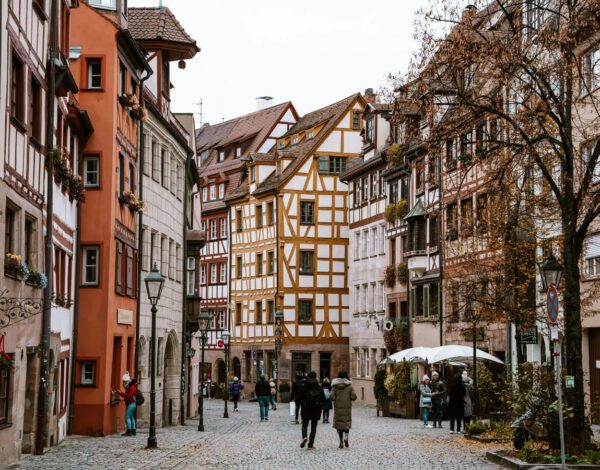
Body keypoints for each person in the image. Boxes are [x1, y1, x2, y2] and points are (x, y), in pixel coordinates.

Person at [331, 370, 357, 449]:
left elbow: (331, 396)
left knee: (339, 425)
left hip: (338, 408)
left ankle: (341, 441)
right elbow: (354, 396)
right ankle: (346, 437)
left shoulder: (334, 386)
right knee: (346, 423)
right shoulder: (349, 385)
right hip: (347, 408)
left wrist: (336, 398)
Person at [300, 371, 324, 450]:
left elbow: (300, 397)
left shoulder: (304, 385)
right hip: (316, 409)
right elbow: (323, 398)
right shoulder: (319, 386)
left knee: (304, 424)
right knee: (314, 427)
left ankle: (304, 437)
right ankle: (310, 445)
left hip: (306, 408)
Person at [113, 372, 138, 436]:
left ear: (127, 381)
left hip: (131, 403)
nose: (123, 383)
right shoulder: (131, 386)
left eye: (124, 381)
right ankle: (133, 431)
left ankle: (129, 431)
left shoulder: (131, 387)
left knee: (127, 417)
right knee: (132, 417)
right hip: (132, 403)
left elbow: (128, 395)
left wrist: (120, 393)